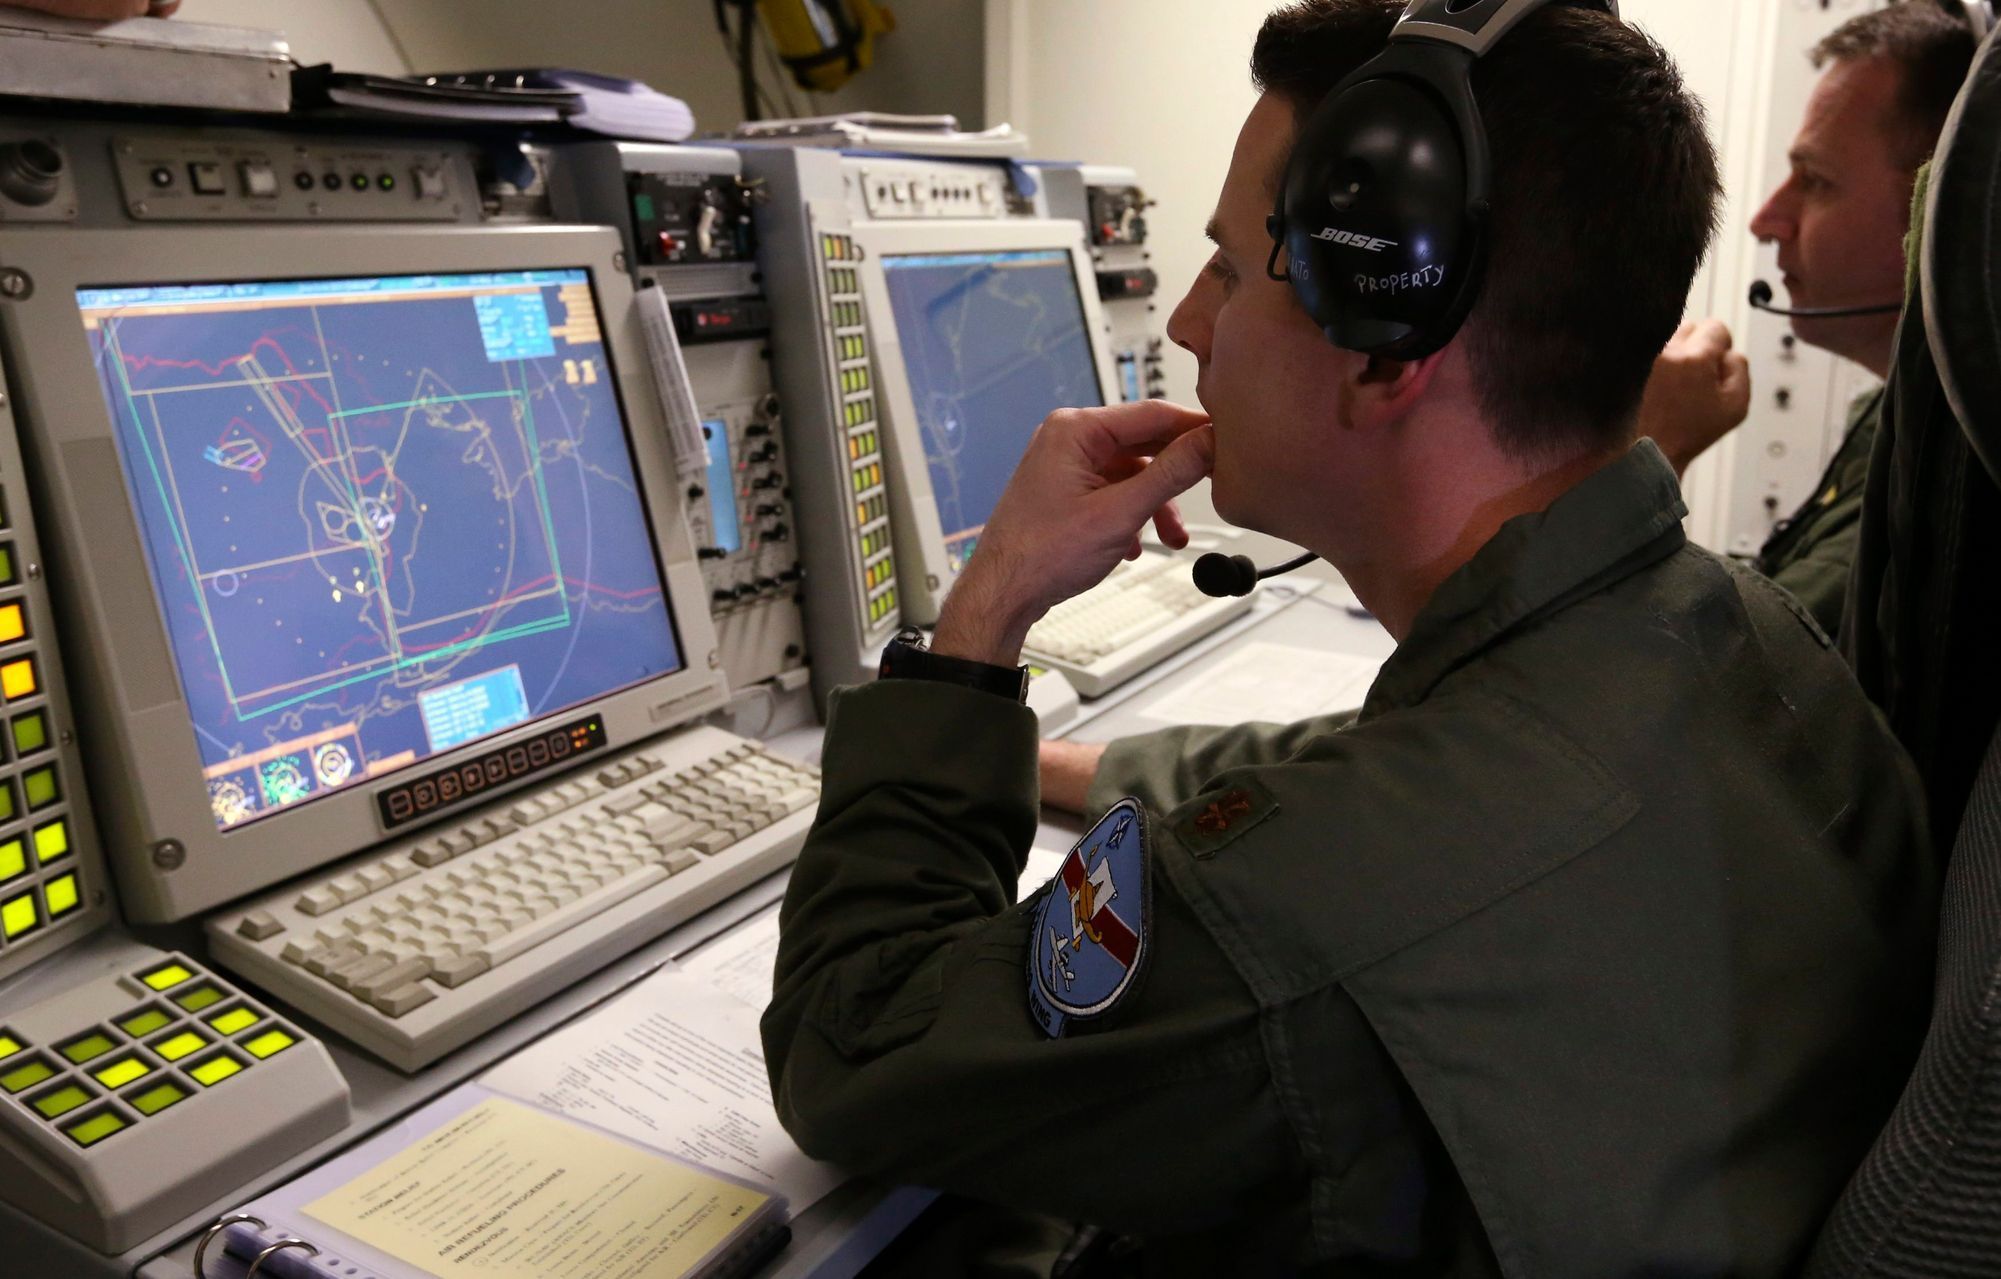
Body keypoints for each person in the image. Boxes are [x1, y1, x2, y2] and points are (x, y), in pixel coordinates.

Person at [764, 1, 1939, 1274]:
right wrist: (1056, 766)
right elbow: (1397, 762)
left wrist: (979, 628)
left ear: (1386, 342)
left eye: (1225, 268)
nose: (1188, 327)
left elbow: (855, 1040)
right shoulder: (1741, 640)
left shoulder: (1336, 898)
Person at [1636, 2, 1977, 639]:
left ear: (1938, 205)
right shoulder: (1892, 423)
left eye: (1814, 180)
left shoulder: (1952, 480)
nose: (1767, 220)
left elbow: (1724, 686)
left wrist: (1650, 454)